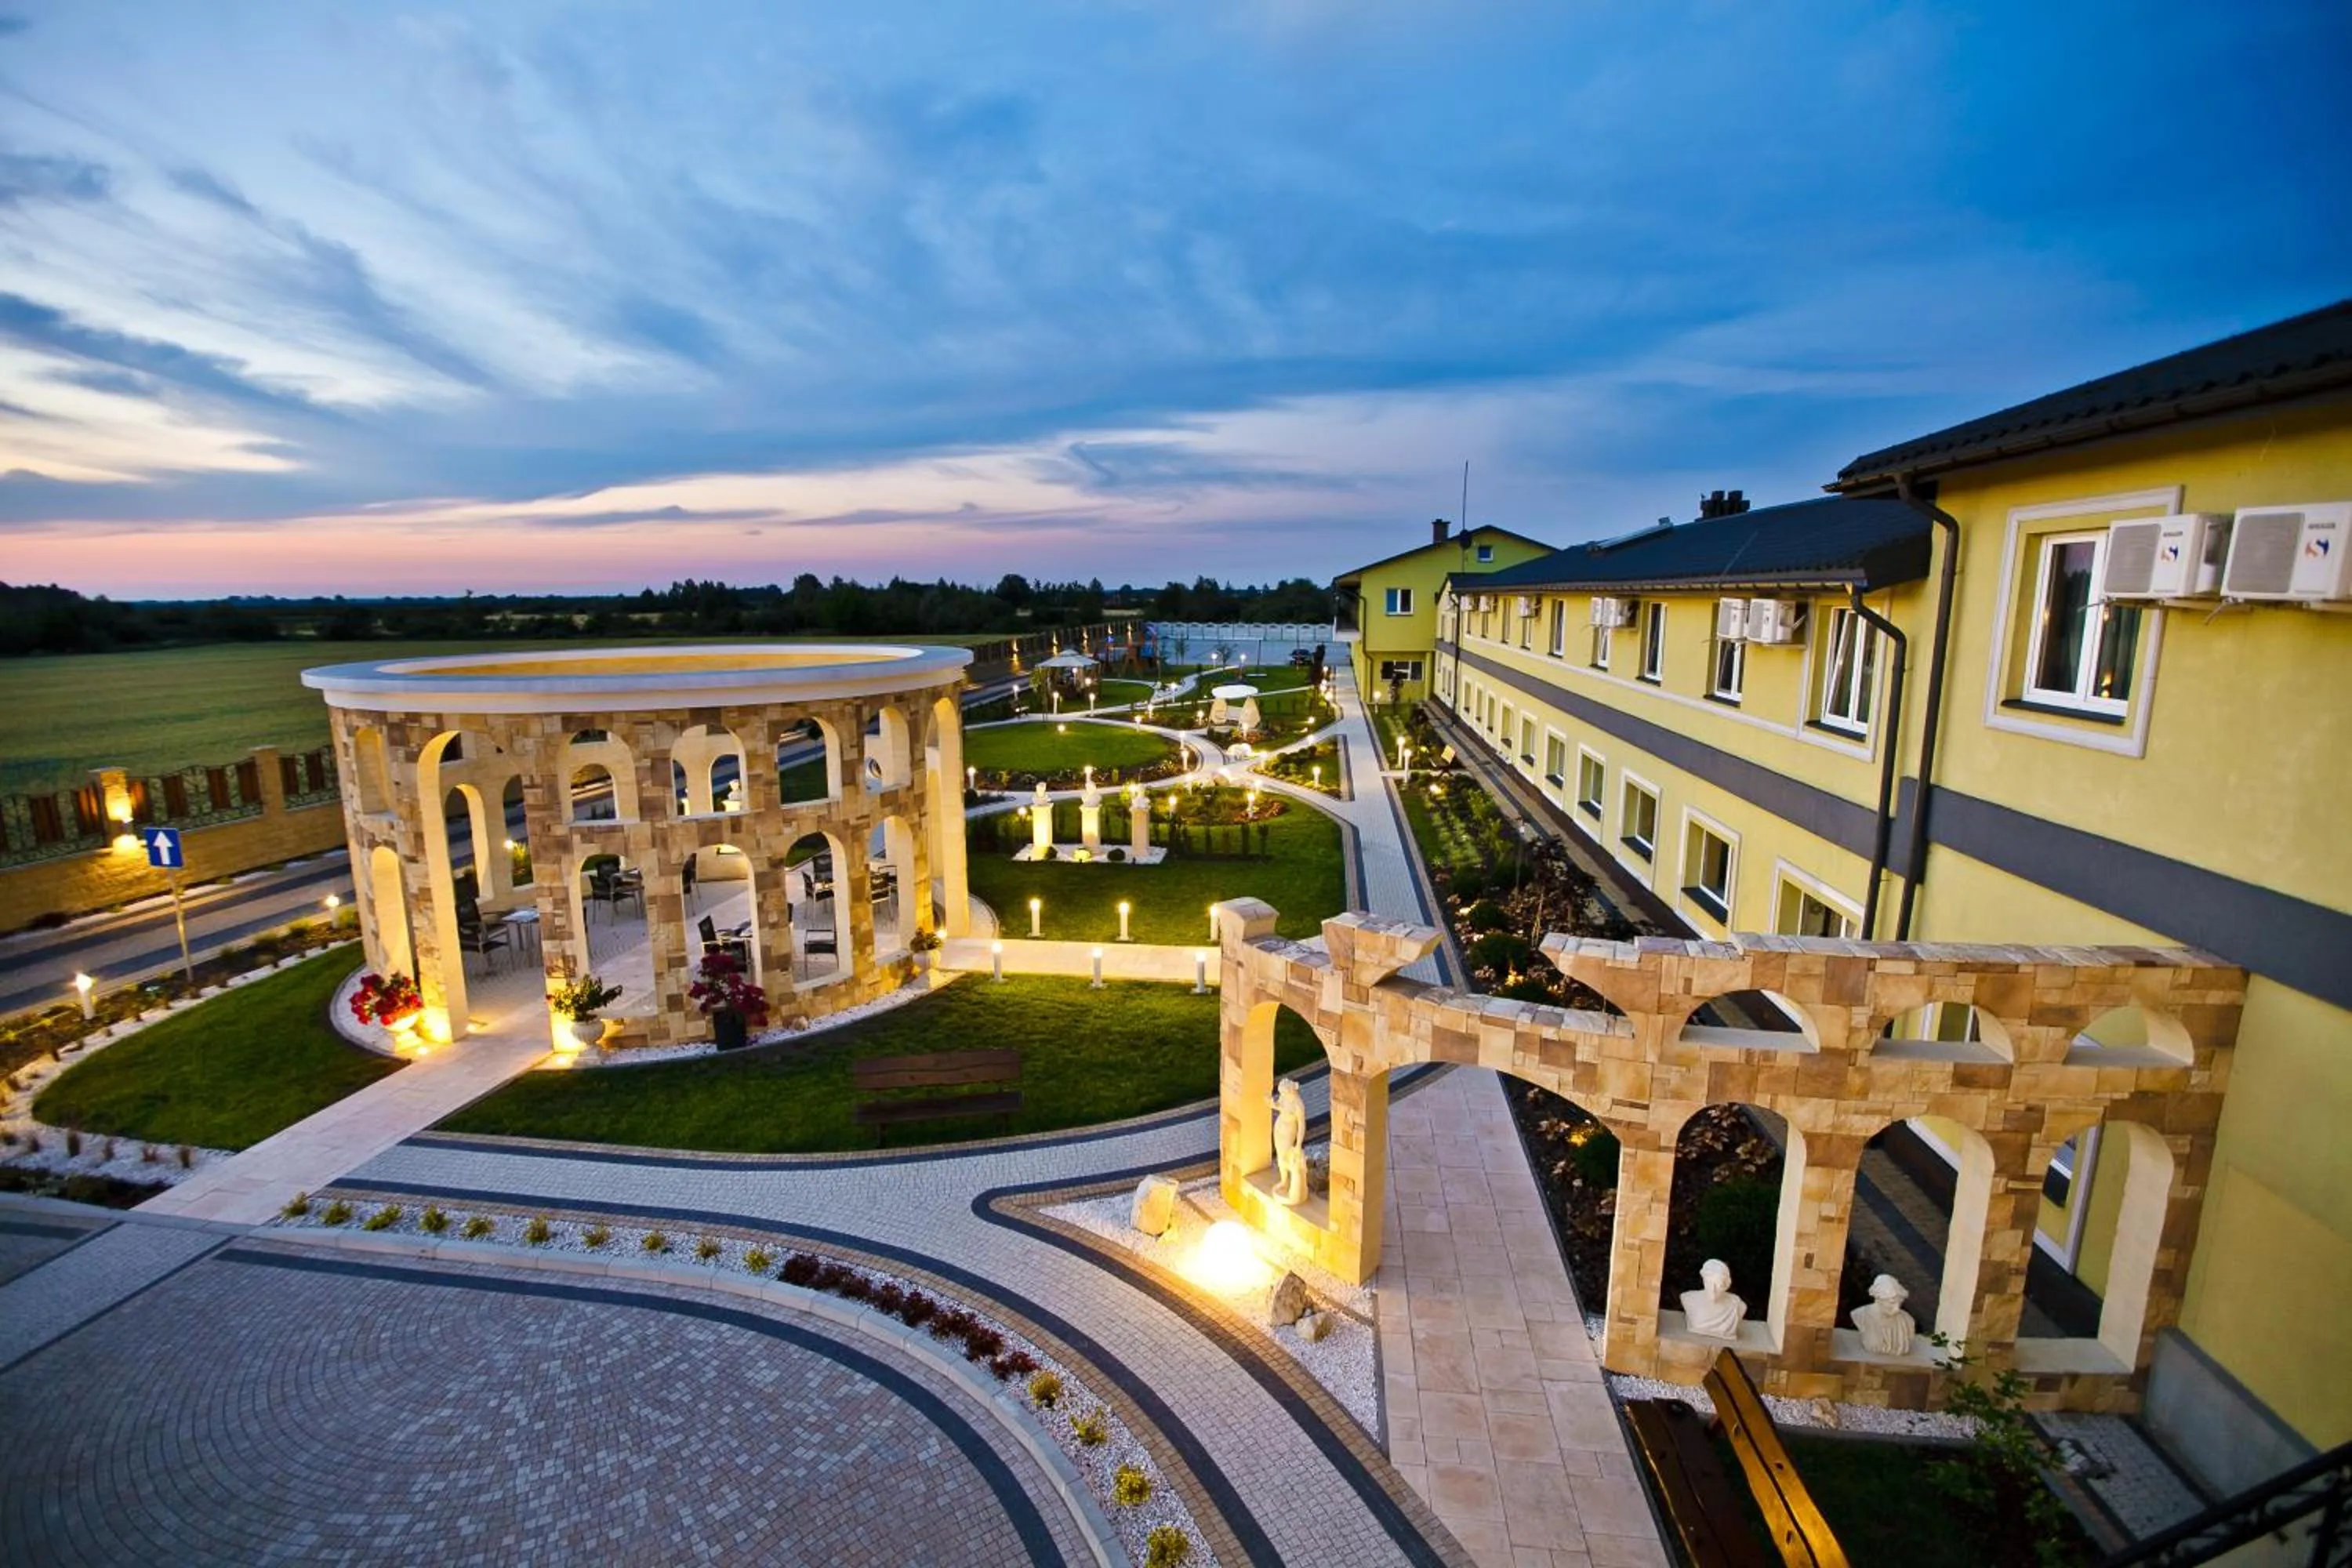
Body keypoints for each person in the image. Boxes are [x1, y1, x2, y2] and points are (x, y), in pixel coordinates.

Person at [1850, 1272, 1917, 1356]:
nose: (1897, 1309)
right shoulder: (1860, 1315)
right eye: (1891, 1303)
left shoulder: (1908, 1321)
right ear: (1878, 1299)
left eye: (1900, 1303)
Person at [1680, 1258, 1747, 1340]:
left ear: (1726, 1286)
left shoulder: (1737, 1306)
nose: (1713, 1290)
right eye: (1709, 1283)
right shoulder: (1688, 1298)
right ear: (1704, 1280)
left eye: (1719, 1285)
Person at [1269, 1079, 1308, 1205]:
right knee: (1280, 1154)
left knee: (1286, 1155)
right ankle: (1284, 1180)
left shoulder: (1298, 1105)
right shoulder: (1284, 1097)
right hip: (1279, 1125)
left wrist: (1298, 1144)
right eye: (1282, 1093)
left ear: (1290, 1091)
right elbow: (1279, 1106)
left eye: (1284, 1093)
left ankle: (1293, 1184)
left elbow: (1302, 1126)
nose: (1283, 1095)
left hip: (1289, 1130)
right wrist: (1271, 1104)